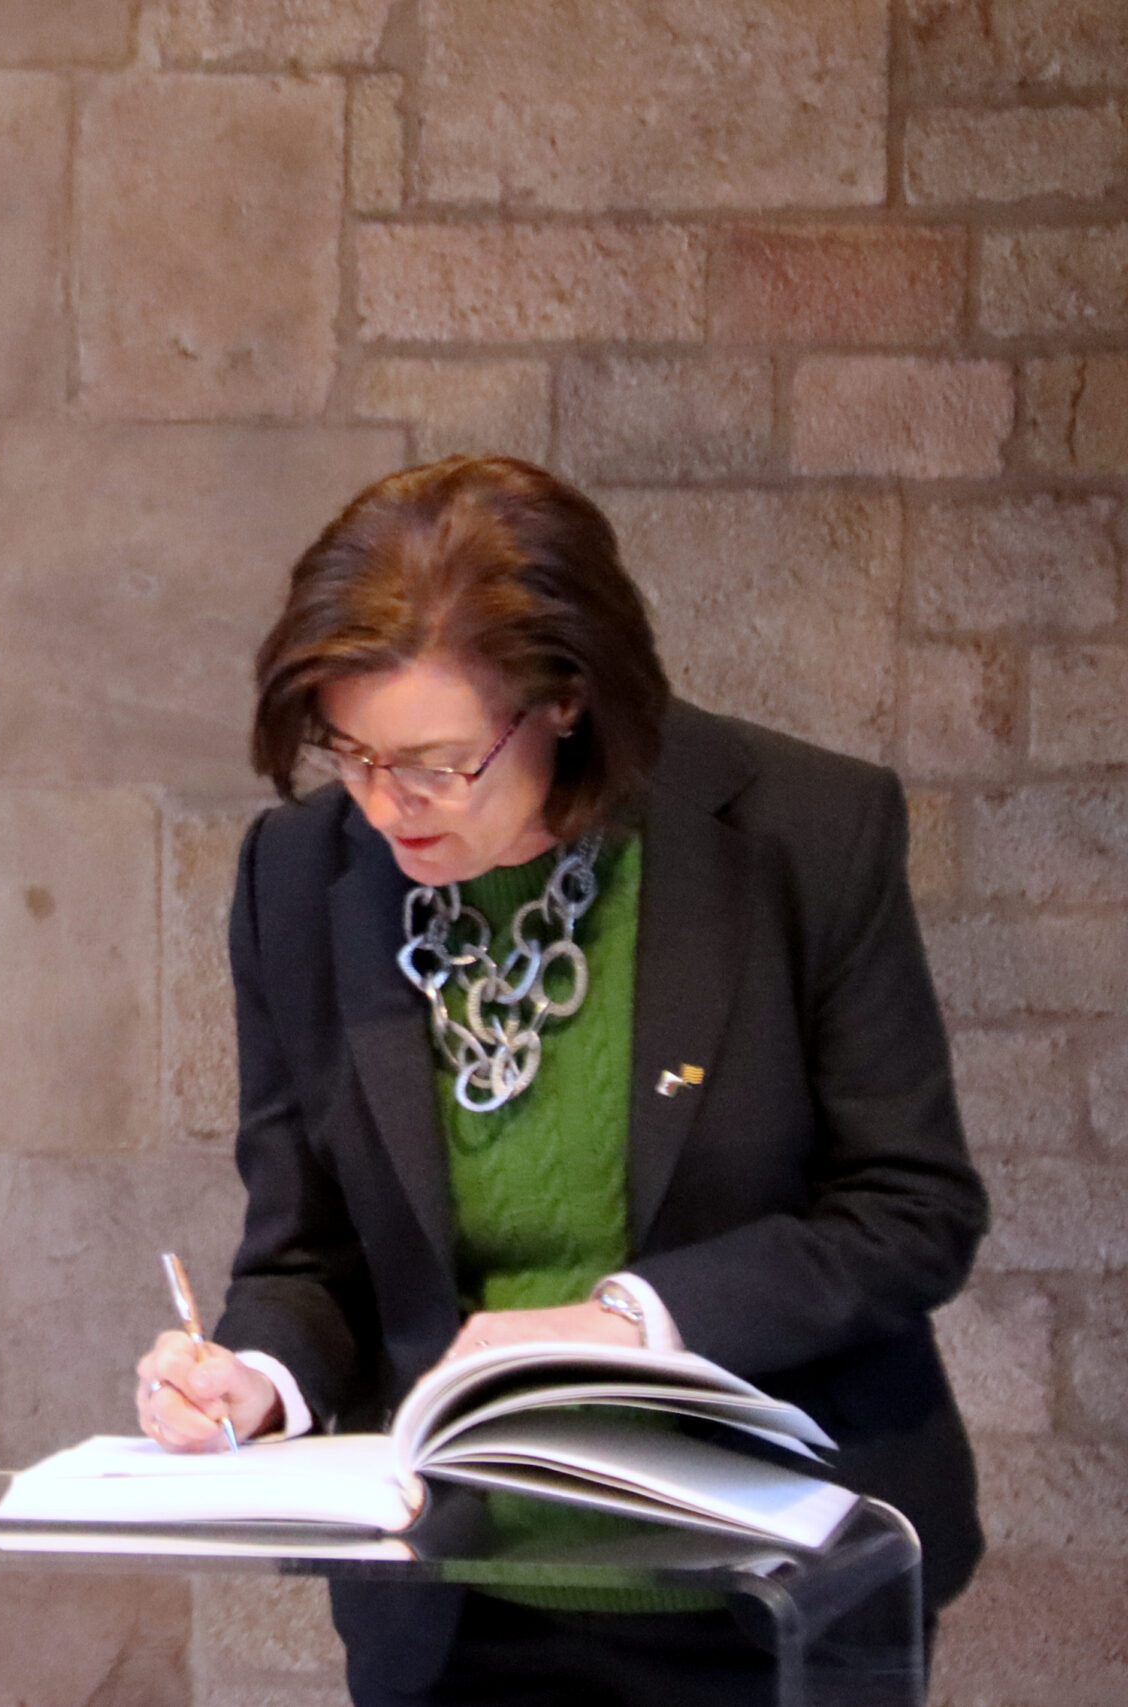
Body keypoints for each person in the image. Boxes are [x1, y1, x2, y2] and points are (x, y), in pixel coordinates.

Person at [132, 456, 985, 1704]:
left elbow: (910, 1214)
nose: (386, 807)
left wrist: (629, 1321)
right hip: (454, 1602)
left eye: (435, 762)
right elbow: (305, 1256)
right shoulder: (299, 876)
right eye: (349, 753)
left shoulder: (799, 832)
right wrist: (254, 1380)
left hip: (769, 1595)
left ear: (566, 699)